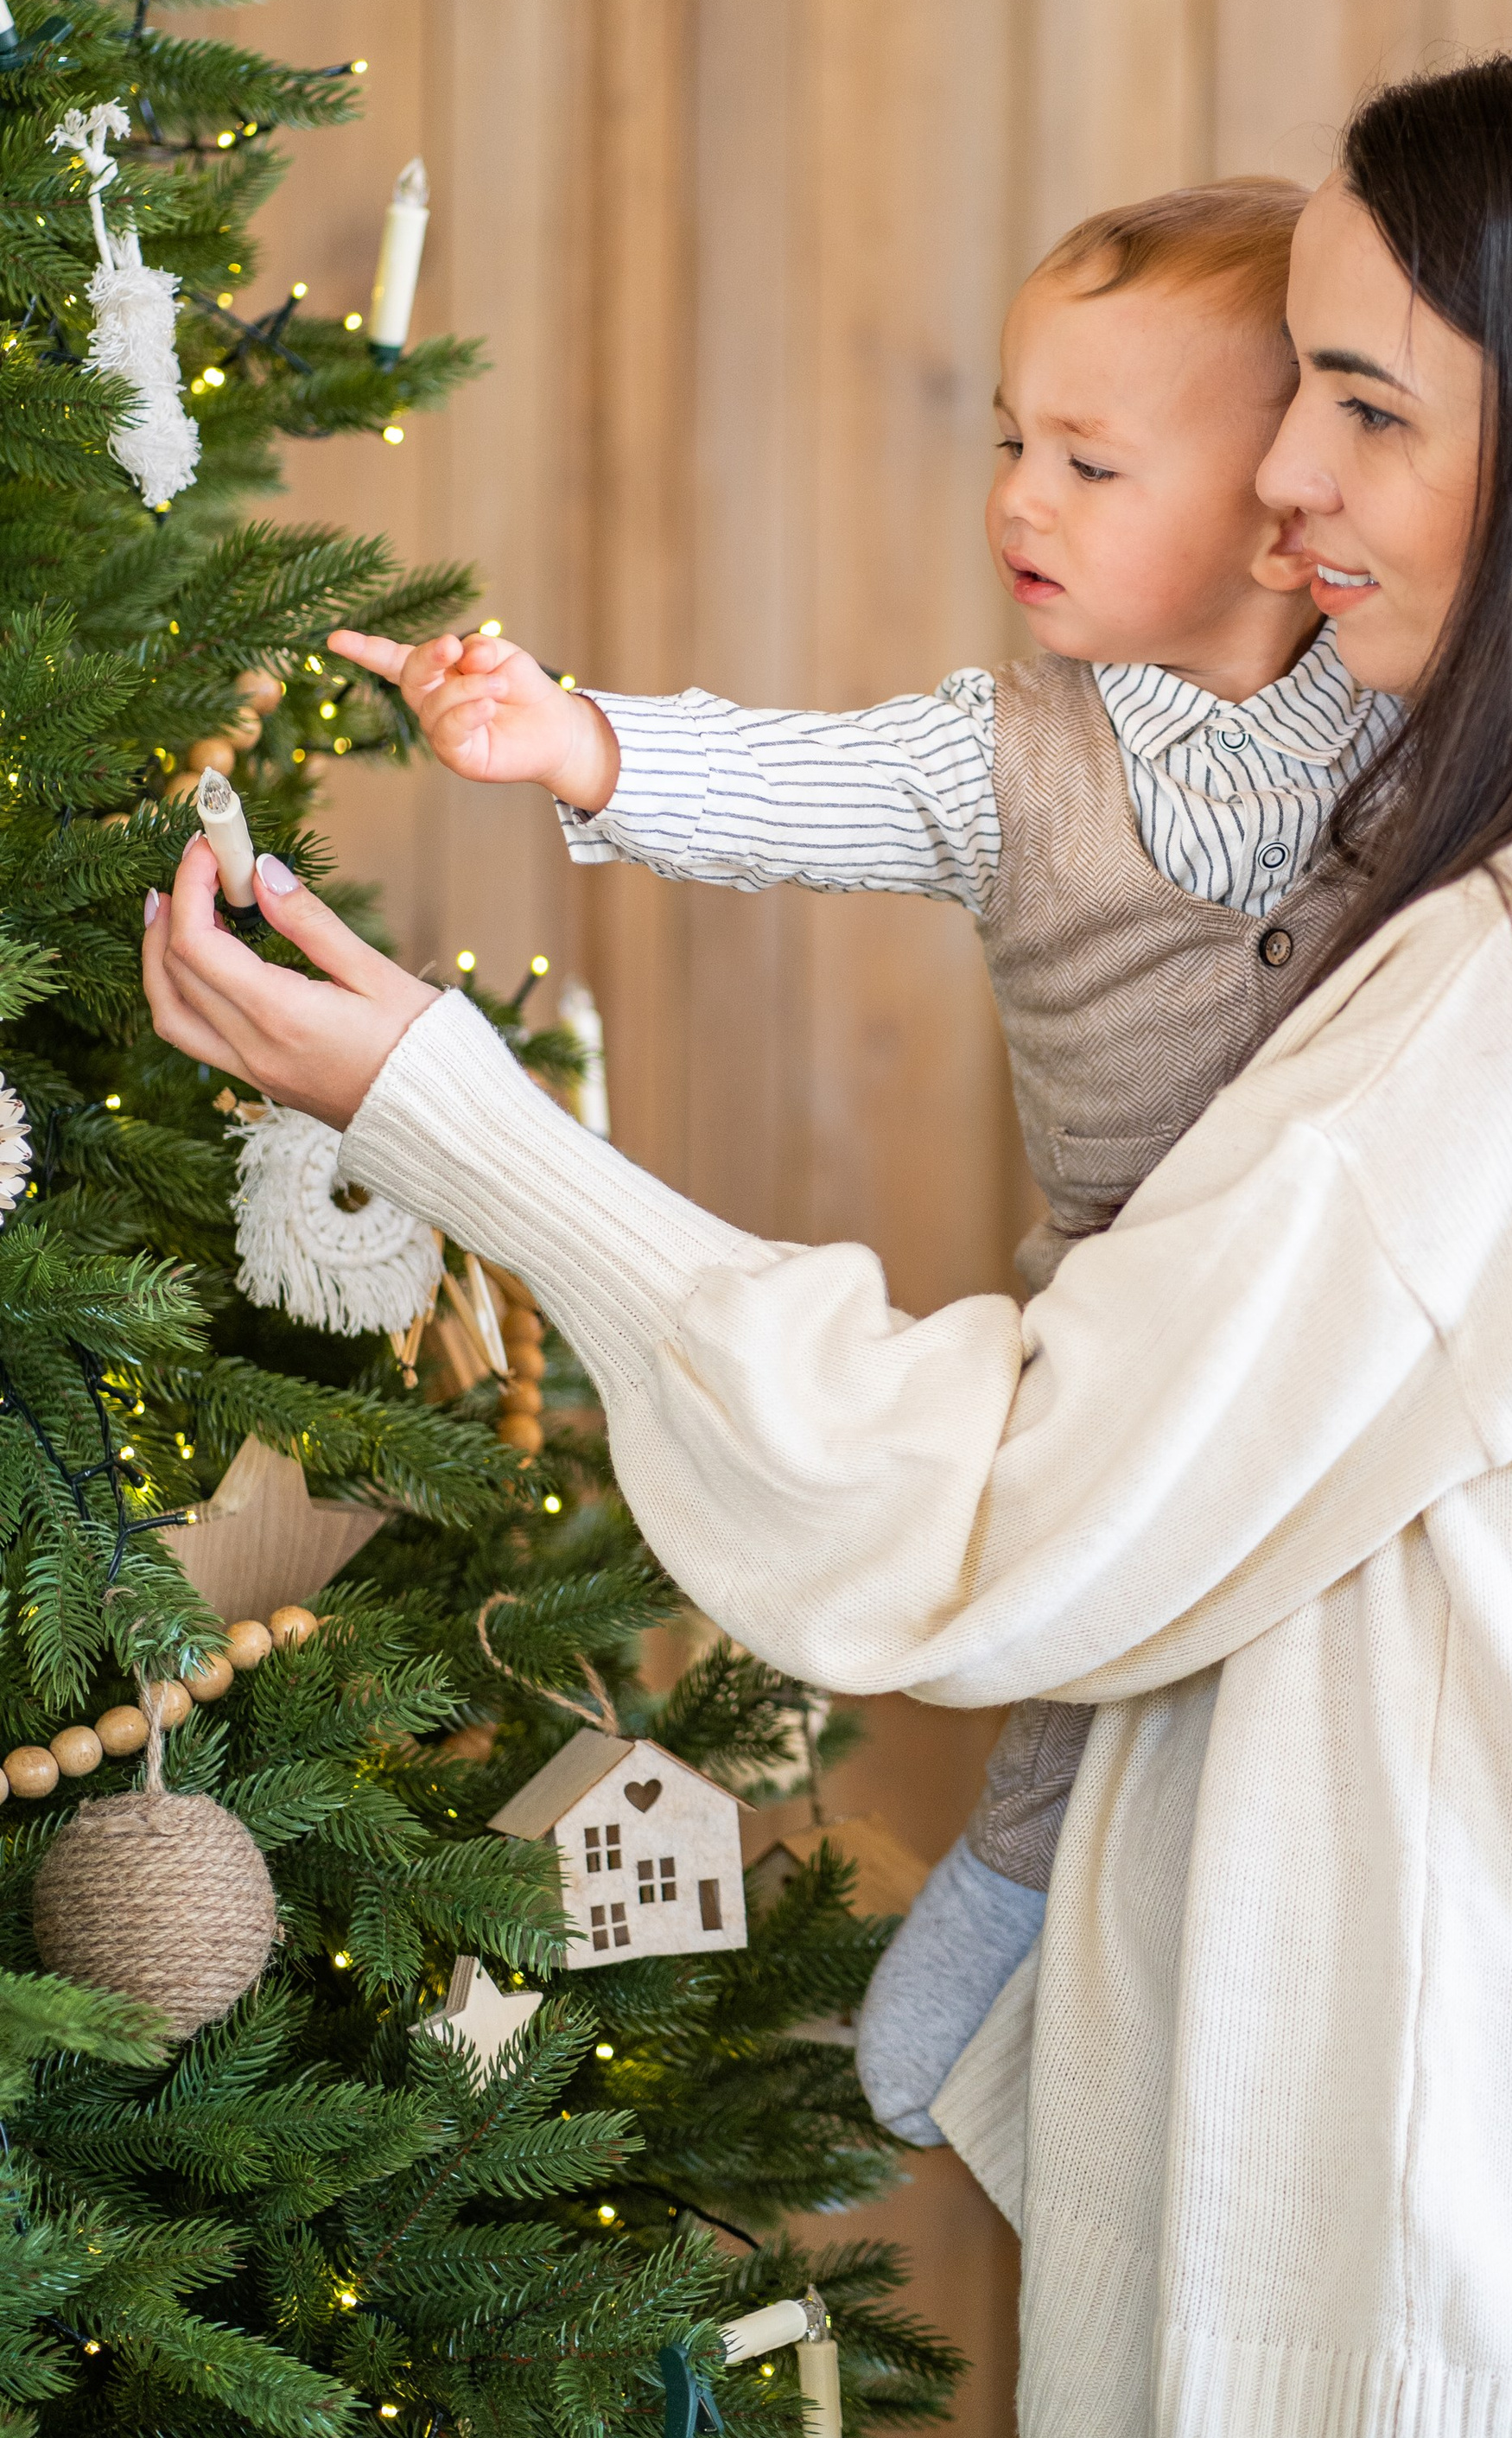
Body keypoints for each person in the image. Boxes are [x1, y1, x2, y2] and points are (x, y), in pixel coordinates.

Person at [148, 46, 1512, 2438]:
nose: (1280, 481)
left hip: (1407, 2302)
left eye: (1362, 411)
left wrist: (443, 1113)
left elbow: (1013, 1504)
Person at [322, 177, 1401, 2147]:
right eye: (1006, 441)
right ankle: (1008, 1877)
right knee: (1081, 1628)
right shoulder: (1000, 756)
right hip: (1125, 1325)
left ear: (1280, 497)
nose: (1015, 499)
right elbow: (797, 781)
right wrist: (573, 743)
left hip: (1340, 1324)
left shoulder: (1420, 723)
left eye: (1086, 461)